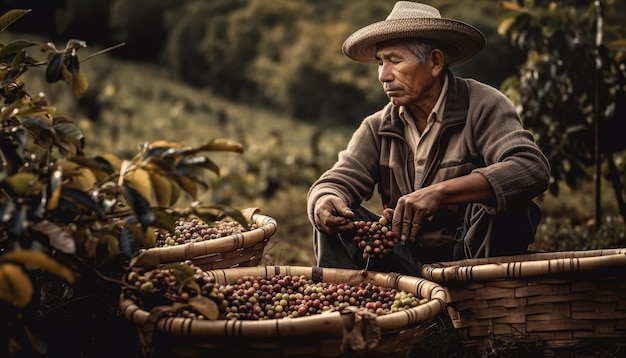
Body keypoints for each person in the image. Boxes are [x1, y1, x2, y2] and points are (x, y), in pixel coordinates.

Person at [307, 1, 551, 277]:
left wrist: (439, 192)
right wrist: (325, 199)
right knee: (332, 216)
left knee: (510, 203)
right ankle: (349, 310)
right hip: (406, 264)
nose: (383, 75)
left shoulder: (483, 105)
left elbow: (531, 168)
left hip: (472, 262)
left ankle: (482, 305)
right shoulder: (378, 126)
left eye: (395, 60)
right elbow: (337, 180)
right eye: (380, 62)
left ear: (434, 62)